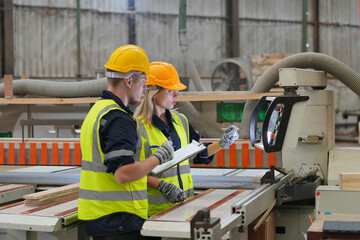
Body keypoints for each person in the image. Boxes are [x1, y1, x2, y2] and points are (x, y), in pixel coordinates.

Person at [78, 46, 175, 240]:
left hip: (102, 216)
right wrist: (158, 158)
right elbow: (123, 173)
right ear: (129, 81)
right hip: (119, 220)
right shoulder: (118, 118)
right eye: (144, 82)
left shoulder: (97, 110)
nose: (144, 89)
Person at [134, 61, 239, 217]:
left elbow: (197, 154)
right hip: (155, 211)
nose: (176, 96)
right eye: (171, 91)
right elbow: (133, 172)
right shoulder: (137, 127)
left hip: (185, 205)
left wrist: (222, 143)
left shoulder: (180, 121)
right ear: (154, 93)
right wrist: (162, 186)